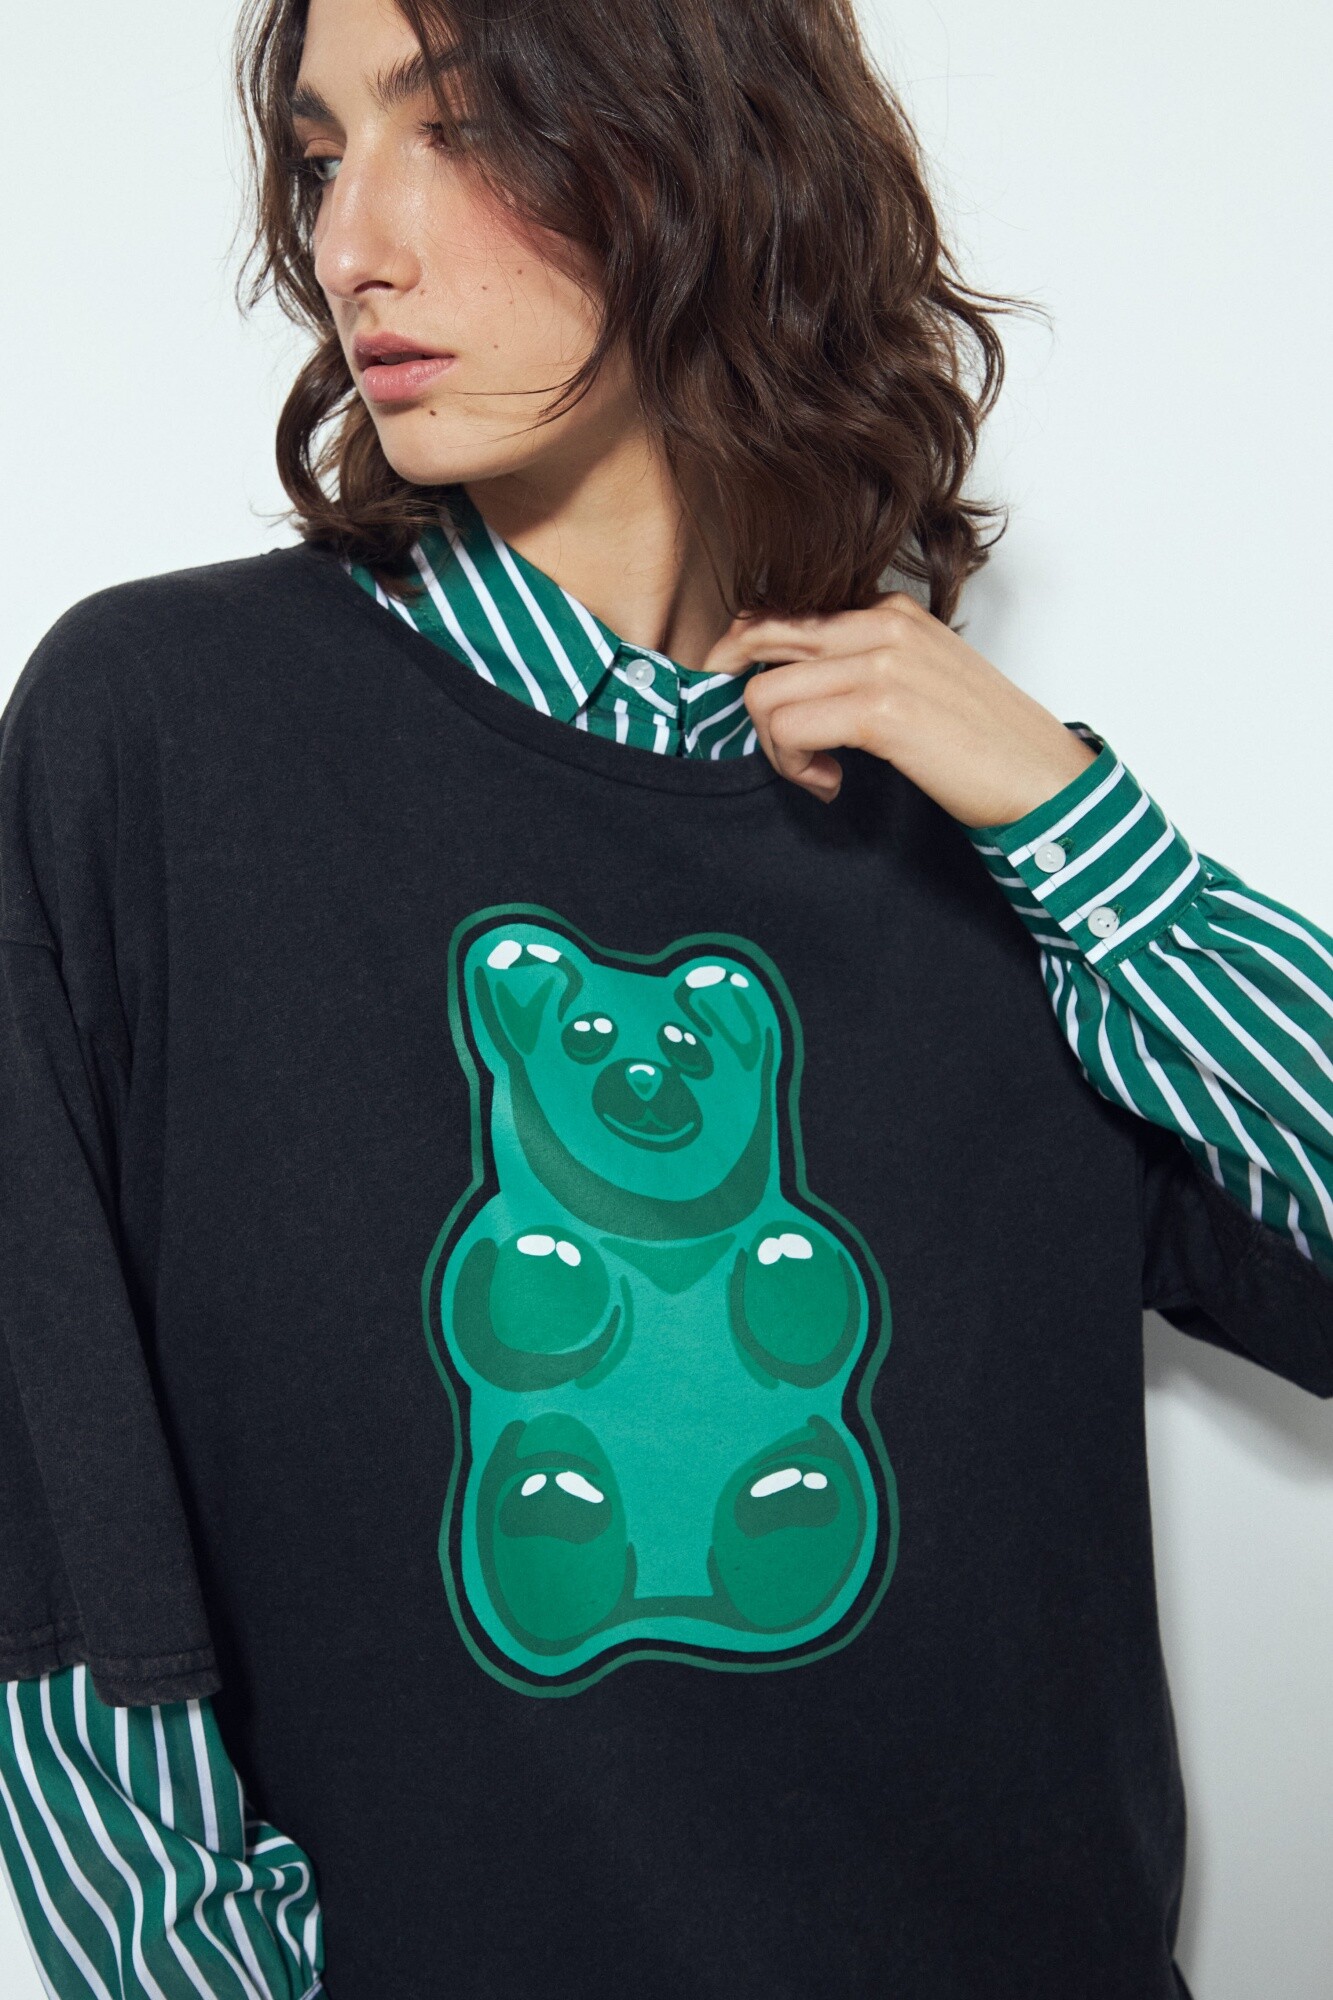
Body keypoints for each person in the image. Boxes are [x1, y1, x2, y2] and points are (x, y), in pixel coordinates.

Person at [1, 0, 1330, 1994]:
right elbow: (49, 1504)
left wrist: (1078, 830)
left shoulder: (989, 833)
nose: (351, 242)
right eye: (319, 157)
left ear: (710, 157)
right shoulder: (161, 734)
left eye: (459, 129)